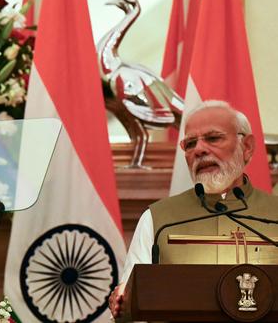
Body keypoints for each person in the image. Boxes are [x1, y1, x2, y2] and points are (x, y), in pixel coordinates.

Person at [109, 100, 278, 319]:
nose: (199, 150)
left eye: (213, 138)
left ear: (247, 147)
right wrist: (123, 304)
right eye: (190, 144)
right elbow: (128, 308)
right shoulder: (159, 219)